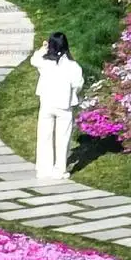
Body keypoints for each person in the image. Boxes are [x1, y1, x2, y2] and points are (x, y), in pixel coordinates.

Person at [30, 31, 84, 182]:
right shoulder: (73, 66)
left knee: (44, 136)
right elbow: (78, 84)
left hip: (47, 104)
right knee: (63, 138)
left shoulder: (44, 62)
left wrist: (43, 48)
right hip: (64, 105)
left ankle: (43, 169)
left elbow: (34, 60)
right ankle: (59, 170)